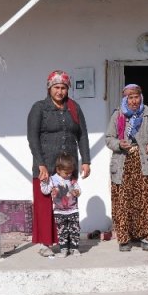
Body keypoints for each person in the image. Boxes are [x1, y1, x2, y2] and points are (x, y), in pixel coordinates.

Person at [27, 70, 91, 258]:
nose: (60, 91)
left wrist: (86, 160)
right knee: (45, 203)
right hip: (45, 164)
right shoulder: (39, 108)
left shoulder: (74, 108)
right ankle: (46, 243)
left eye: (63, 88)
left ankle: (68, 243)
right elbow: (32, 138)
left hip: (68, 167)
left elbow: (83, 135)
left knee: (67, 204)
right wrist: (41, 164)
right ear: (49, 88)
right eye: (56, 87)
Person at [105, 83, 148, 252]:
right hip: (124, 163)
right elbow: (109, 138)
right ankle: (124, 239)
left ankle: (147, 237)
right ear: (125, 98)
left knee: (147, 201)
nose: (134, 101)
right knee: (124, 201)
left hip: (144, 162)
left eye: (136, 96)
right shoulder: (118, 115)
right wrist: (119, 144)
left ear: (141, 97)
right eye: (130, 97)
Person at [40, 153, 82, 258]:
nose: (68, 175)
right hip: (59, 211)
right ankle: (63, 249)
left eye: (70, 172)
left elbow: (78, 189)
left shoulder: (72, 180)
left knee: (74, 230)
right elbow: (45, 191)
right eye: (66, 172)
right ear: (58, 170)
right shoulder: (52, 180)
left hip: (73, 210)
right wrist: (44, 183)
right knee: (62, 231)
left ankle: (74, 249)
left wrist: (77, 192)